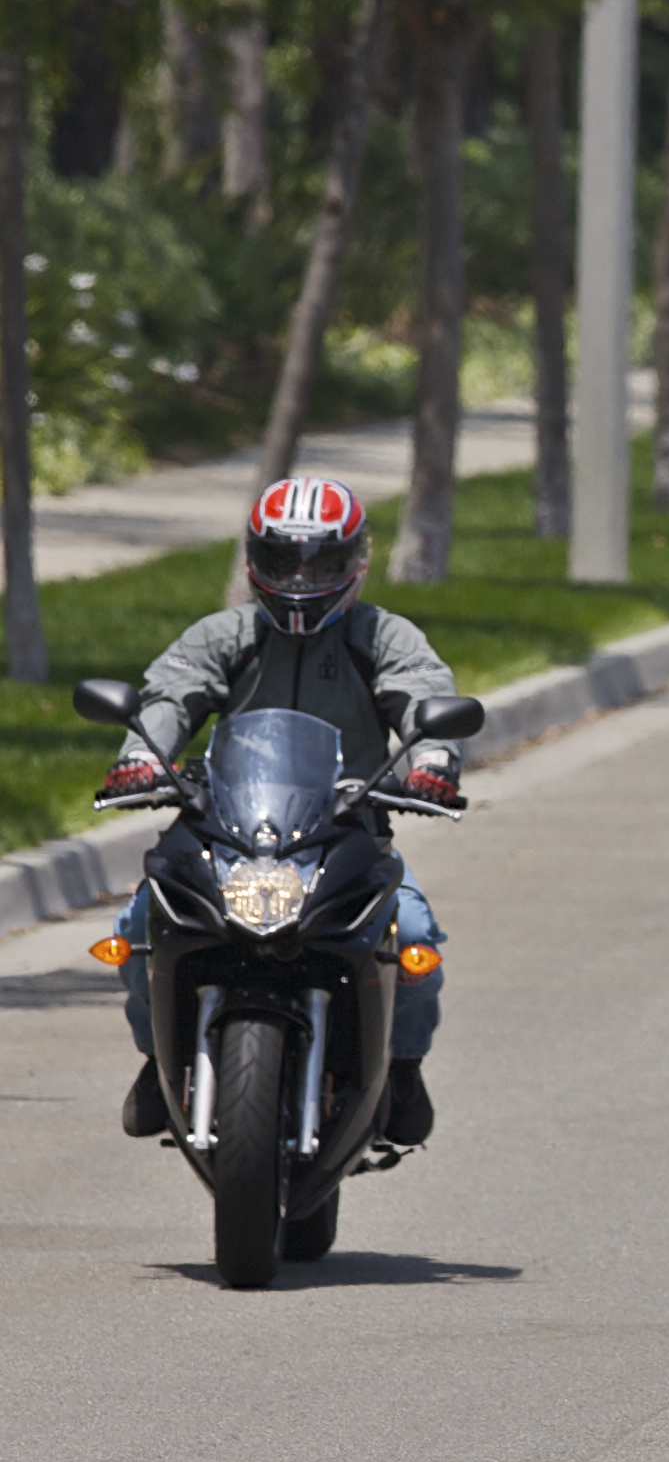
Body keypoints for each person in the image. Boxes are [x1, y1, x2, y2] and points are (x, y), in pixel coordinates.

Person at [100, 478, 462, 1145]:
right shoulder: (226, 634)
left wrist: (432, 764)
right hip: (227, 831)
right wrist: (142, 757)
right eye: (284, 562)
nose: (300, 580)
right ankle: (158, 1058)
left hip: (347, 836)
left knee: (412, 936)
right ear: (253, 561)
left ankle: (403, 1071)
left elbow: (423, 696)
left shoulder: (379, 636)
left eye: (320, 564)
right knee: (141, 924)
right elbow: (172, 694)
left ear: (358, 560)